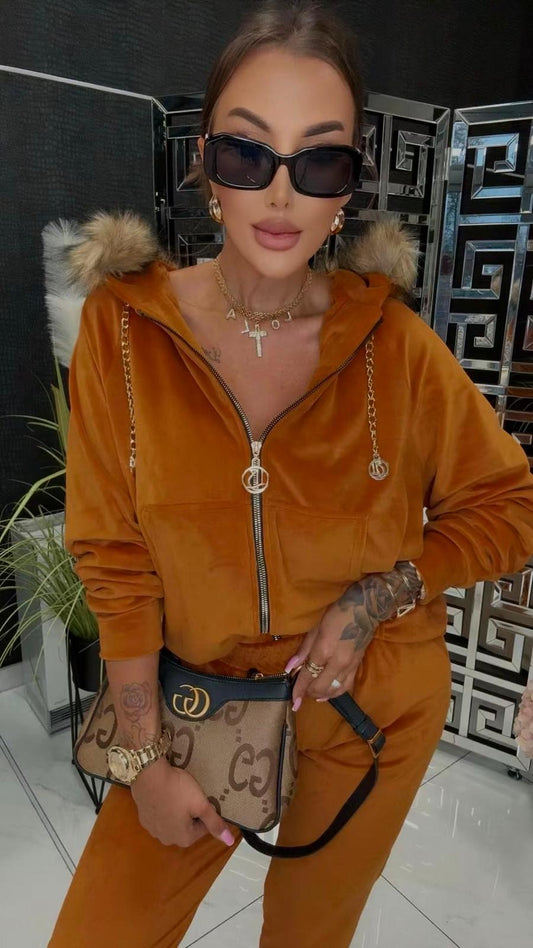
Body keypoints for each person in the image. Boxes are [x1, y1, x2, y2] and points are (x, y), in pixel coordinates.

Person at [48, 2, 533, 946]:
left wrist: (376, 597)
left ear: (348, 182)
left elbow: (511, 505)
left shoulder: (396, 347)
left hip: (369, 709)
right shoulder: (124, 331)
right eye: (246, 153)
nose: (280, 195)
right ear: (205, 163)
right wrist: (141, 759)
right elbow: (112, 554)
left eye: (318, 161)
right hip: (196, 705)